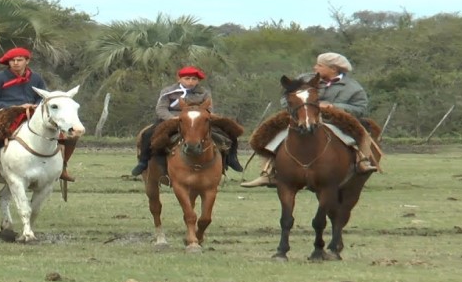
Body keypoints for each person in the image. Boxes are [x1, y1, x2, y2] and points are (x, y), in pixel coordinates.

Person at [240, 52, 378, 188]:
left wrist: (333, 106)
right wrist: (298, 106)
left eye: (319, 65)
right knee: (268, 134)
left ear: (333, 69)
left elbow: (360, 108)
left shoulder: (353, 88)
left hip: (336, 119)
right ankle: (268, 172)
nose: (315, 68)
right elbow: (286, 96)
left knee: (359, 133)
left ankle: (362, 161)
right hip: (300, 115)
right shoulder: (304, 79)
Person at [0, 47, 78, 181]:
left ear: (27, 61)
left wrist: (35, 105)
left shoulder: (35, 78)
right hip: (5, 113)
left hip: (33, 112)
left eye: (19, 60)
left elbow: (43, 96)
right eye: (12, 60)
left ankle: (62, 167)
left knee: (70, 133)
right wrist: (15, 107)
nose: (16, 63)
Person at [130, 66, 243, 175]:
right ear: (180, 79)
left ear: (198, 81)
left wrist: (202, 117)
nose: (190, 81)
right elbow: (161, 108)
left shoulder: (204, 92)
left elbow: (209, 108)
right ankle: (143, 161)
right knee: (148, 134)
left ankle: (232, 158)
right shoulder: (168, 91)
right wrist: (172, 118)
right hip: (172, 118)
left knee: (229, 130)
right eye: (187, 78)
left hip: (198, 119)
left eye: (194, 79)